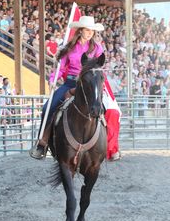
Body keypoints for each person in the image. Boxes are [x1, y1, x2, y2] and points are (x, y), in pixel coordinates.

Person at [30, 15, 121, 161]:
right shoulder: (70, 48)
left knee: (105, 108)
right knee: (48, 107)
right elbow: (61, 67)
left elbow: (99, 67)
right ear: (80, 31)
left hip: (89, 85)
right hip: (71, 83)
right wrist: (53, 79)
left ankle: (106, 146)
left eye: (92, 30)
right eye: (87, 30)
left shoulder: (97, 48)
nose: (90, 33)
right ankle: (42, 143)